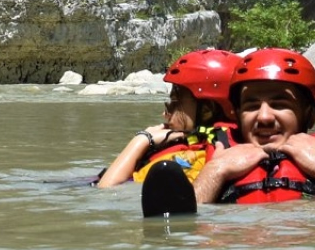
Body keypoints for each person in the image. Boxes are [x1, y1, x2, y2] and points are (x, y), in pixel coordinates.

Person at [192, 48, 315, 204]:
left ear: (310, 114)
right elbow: (175, 220)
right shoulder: (205, 166)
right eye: (251, 106)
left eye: (280, 104)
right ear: (237, 115)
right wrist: (216, 171)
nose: (264, 117)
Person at [94, 48, 237, 188]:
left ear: (206, 111)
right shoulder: (197, 144)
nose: (164, 114)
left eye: (174, 103)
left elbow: (107, 189)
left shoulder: (194, 158)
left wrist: (142, 139)